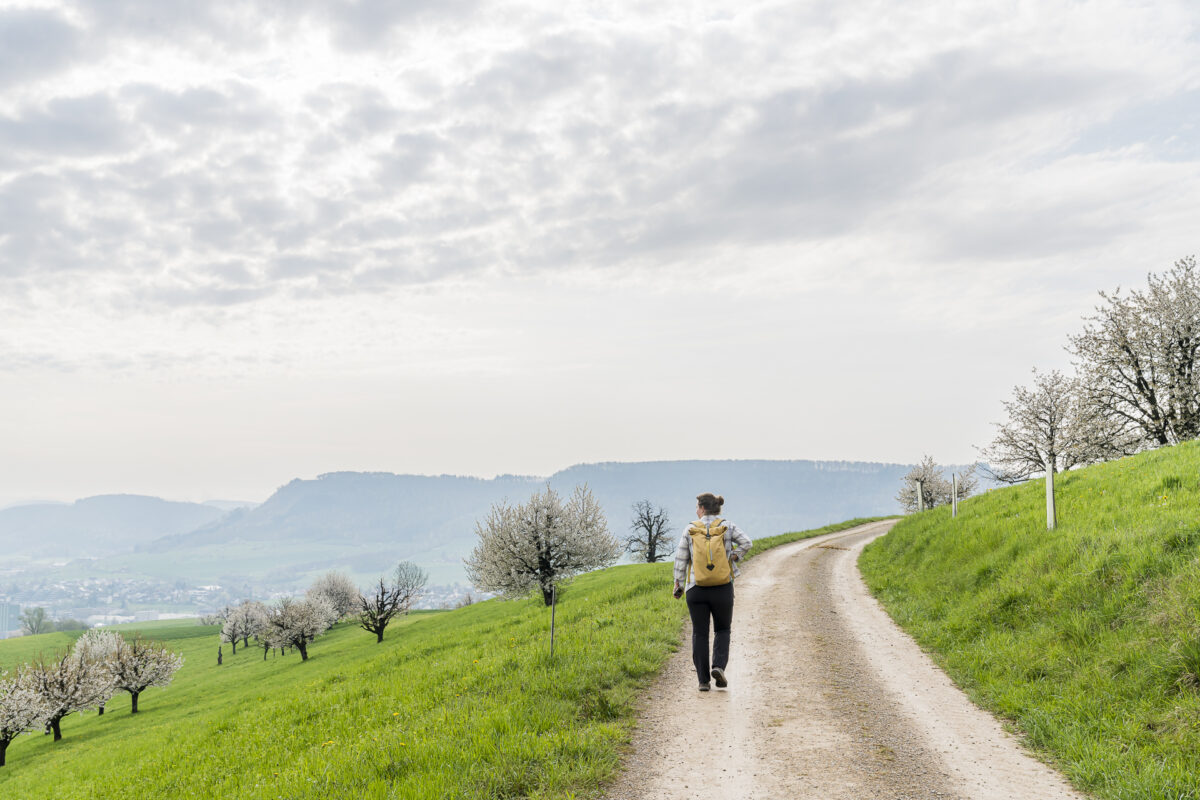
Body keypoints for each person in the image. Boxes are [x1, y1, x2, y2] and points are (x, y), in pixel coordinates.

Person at [672, 492, 752, 691]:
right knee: (722, 629)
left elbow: (681, 560)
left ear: (702, 508)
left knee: (699, 633)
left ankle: (703, 681)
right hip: (722, 587)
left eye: (697, 506)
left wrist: (678, 585)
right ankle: (718, 667)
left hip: (696, 589)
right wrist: (733, 556)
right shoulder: (728, 526)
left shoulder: (690, 529)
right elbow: (747, 543)